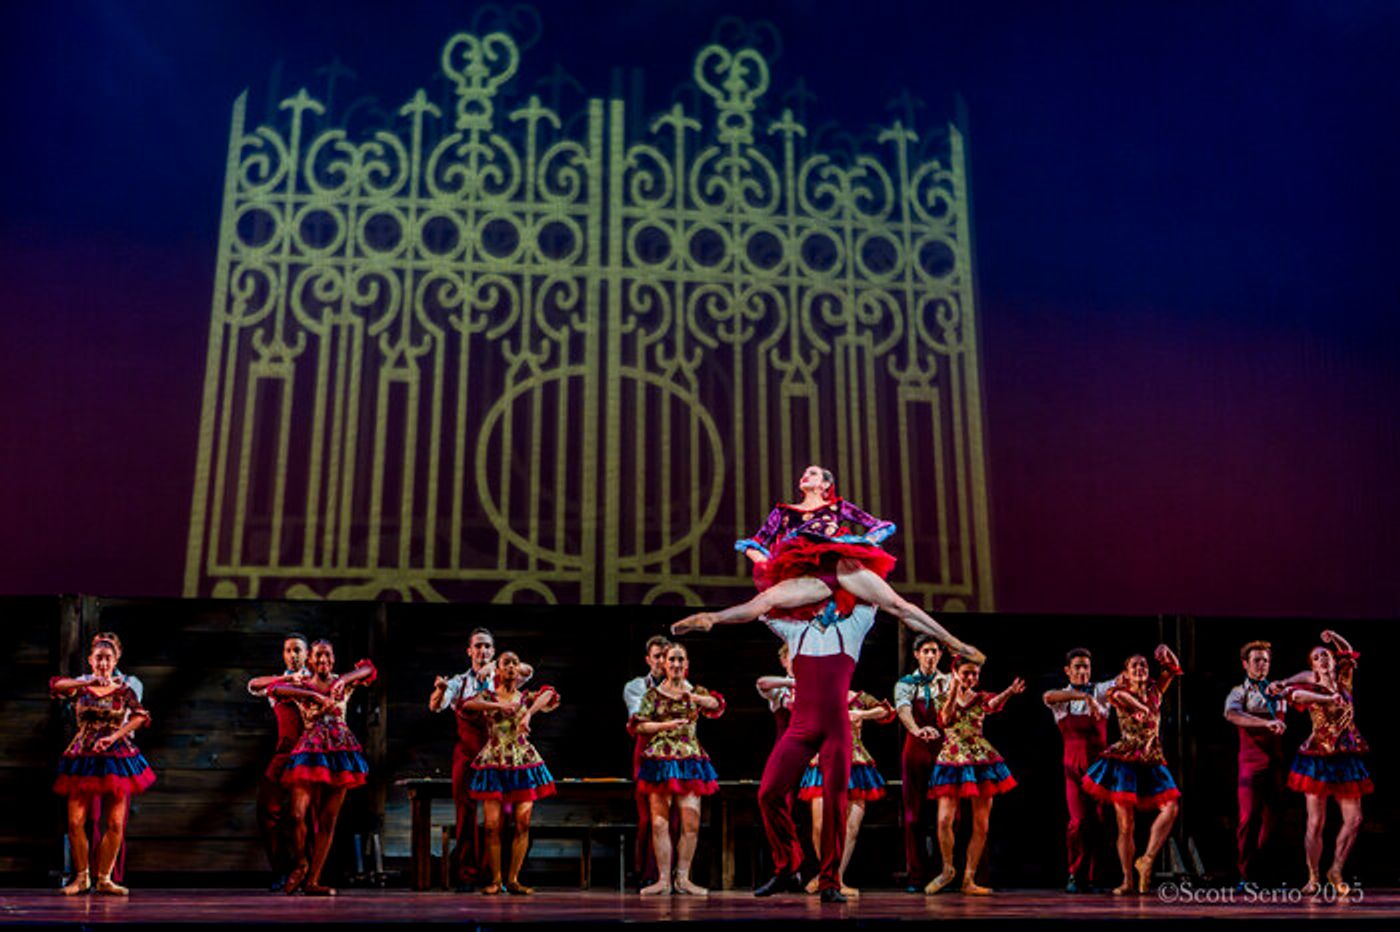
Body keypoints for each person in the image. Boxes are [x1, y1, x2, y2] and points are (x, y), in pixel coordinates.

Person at [675, 465, 982, 663]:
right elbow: (756, 544)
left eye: (814, 473)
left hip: (843, 565)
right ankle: (711, 619)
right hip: (811, 575)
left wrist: (864, 543)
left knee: (897, 605)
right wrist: (766, 563)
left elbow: (880, 526)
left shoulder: (837, 506)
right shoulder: (784, 512)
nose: (806, 476)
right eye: (805, 473)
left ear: (824, 484)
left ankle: (954, 642)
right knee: (765, 600)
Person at [50, 636, 155, 896]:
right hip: (83, 756)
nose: (103, 662)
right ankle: (82, 877)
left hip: (116, 756)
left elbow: (142, 716)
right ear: (91, 660)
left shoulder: (124, 690)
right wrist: (87, 681)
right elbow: (56, 686)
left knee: (116, 823)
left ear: (115, 661)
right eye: (98, 657)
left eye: (108, 658)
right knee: (75, 822)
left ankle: (105, 878)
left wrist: (114, 736)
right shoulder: (82, 688)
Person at [429, 628, 532, 890]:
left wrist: (496, 669)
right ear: (469, 651)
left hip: (498, 758)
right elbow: (436, 705)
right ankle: (467, 873)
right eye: (478, 647)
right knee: (466, 814)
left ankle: (497, 875)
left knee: (501, 816)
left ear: (493, 652)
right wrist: (440, 691)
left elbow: (528, 671)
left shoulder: (505, 677)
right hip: (467, 755)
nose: (482, 651)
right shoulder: (459, 682)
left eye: (487, 647)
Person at [272, 640, 377, 895]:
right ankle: (301, 864)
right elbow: (276, 689)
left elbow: (369, 670)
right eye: (318, 656)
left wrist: (344, 679)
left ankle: (314, 881)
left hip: (340, 752)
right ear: (310, 660)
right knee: (296, 814)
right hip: (309, 751)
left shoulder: (342, 682)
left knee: (328, 819)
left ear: (333, 658)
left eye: (327, 656)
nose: (322, 661)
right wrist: (312, 696)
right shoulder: (302, 685)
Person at [1080, 646, 1182, 895]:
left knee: (1171, 807)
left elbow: (1173, 669)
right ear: (1125, 672)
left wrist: (1167, 653)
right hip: (1125, 758)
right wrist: (1141, 706)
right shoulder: (1118, 692)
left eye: (1144, 665)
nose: (1140, 669)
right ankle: (1127, 879)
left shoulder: (1156, 691)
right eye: (1134, 665)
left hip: (1151, 758)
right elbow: (1125, 700)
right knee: (1126, 825)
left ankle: (1146, 859)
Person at [1275, 630, 1369, 896]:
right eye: (1317, 658)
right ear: (1312, 667)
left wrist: (1335, 637)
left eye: (1326, 655)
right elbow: (1295, 697)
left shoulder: (1344, 680)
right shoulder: (1309, 687)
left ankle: (1336, 869)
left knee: (1355, 819)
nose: (1323, 659)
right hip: (1317, 757)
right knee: (1315, 822)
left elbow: (1348, 652)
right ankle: (1313, 875)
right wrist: (1326, 698)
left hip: (1346, 756)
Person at [629, 643, 725, 896]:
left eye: (680, 660)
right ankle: (663, 879)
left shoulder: (696, 692)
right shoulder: (653, 695)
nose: (676, 664)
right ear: (664, 664)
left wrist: (693, 698)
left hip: (690, 761)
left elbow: (716, 705)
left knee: (691, 822)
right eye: (671, 660)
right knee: (659, 823)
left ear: (687, 664)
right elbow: (639, 726)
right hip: (660, 761)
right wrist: (667, 725)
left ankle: (683, 878)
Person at [461, 652, 560, 895]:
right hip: (494, 761)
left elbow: (550, 693)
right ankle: (496, 880)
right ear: (498, 670)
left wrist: (528, 713)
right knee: (492, 825)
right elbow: (467, 705)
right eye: (507, 663)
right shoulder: (489, 696)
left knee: (523, 823)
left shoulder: (526, 698)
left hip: (522, 761)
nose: (512, 667)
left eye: (516, 663)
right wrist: (498, 705)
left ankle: (514, 878)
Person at [925, 658, 1023, 896]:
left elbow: (993, 703)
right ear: (955, 673)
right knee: (944, 820)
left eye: (974, 675)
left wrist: (1009, 692)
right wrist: (952, 693)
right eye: (966, 673)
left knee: (981, 823)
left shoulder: (981, 698)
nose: (970, 679)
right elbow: (945, 720)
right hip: (952, 760)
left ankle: (969, 878)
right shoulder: (940, 696)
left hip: (981, 760)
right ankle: (948, 869)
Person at [798, 690, 895, 897]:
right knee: (819, 825)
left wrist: (861, 715)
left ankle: (837, 878)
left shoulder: (860, 697)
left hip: (855, 762)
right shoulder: (819, 694)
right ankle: (827, 875)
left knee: (851, 826)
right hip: (824, 758)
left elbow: (886, 711)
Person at [1042, 648, 1113, 893]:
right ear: (1067, 670)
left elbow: (1123, 680)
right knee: (1078, 823)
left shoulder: (1102, 691)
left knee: (1102, 821)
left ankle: (1096, 876)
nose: (1083, 671)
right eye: (1078, 667)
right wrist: (1083, 698)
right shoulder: (1063, 699)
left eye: (1086, 667)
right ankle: (1075, 873)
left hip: (1100, 768)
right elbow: (1048, 696)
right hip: (1073, 766)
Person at [1222, 640, 1287, 889]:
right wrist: (1265, 724)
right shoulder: (1240, 691)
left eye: (1266, 660)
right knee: (1248, 819)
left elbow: (1310, 679)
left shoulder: (1279, 690)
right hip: (1251, 764)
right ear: (1245, 664)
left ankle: (1265, 870)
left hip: (1277, 764)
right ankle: (1245, 874)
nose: (1262, 664)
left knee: (1275, 819)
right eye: (1257, 660)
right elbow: (1232, 714)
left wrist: (1287, 682)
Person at [247, 633, 311, 889]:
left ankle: (307, 870)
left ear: (306, 654)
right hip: (284, 754)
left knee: (304, 816)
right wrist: (287, 678)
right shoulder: (277, 683)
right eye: (288, 651)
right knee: (266, 809)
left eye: (297, 650)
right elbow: (253, 685)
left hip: (311, 754)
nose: (293, 655)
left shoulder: (315, 678)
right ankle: (280, 870)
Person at [894, 634, 952, 891]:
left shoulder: (950, 682)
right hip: (916, 749)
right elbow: (903, 710)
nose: (930, 655)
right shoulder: (906, 683)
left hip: (946, 751)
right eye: (926, 651)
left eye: (935, 651)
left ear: (940, 655)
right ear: (917, 654)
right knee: (914, 816)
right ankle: (916, 875)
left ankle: (946, 872)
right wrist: (916, 729)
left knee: (948, 817)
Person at [624, 635, 678, 888]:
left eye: (666, 656)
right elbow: (641, 723)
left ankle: (673, 874)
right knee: (648, 817)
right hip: (647, 753)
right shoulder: (636, 686)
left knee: (676, 816)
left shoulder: (682, 685)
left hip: (677, 752)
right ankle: (645, 871)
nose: (662, 661)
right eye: (657, 656)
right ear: (649, 659)